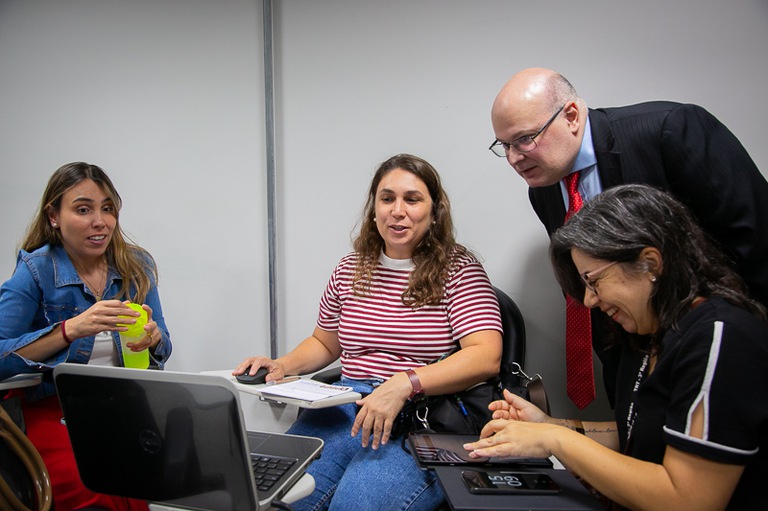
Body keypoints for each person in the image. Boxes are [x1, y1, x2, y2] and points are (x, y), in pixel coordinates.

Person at [465, 184, 768, 510]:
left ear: (650, 264)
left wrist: (555, 440)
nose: (589, 300)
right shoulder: (649, 332)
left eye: (593, 281)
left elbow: (689, 500)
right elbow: (636, 432)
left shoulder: (721, 338)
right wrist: (548, 425)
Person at [234, 153, 503, 511]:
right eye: (387, 198)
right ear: (374, 208)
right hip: (345, 408)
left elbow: (485, 355)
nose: (397, 211)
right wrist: (282, 365)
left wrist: (405, 383)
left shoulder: (459, 270)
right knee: (274, 495)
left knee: (353, 505)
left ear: (435, 211)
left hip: (419, 417)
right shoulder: (351, 268)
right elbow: (324, 342)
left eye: (412, 199)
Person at [488, 67, 768, 408]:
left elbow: (754, 240)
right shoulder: (544, 189)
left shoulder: (668, 130)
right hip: (632, 360)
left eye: (525, 138)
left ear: (571, 116)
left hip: (720, 347)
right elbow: (589, 290)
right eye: (505, 145)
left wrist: (738, 342)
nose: (514, 158)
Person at [0, 162, 172, 511]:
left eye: (107, 209)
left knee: (145, 482)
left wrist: (154, 339)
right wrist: (70, 330)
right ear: (54, 216)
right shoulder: (36, 269)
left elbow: (164, 345)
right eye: (83, 210)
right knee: (91, 485)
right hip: (53, 406)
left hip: (123, 405)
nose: (100, 221)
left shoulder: (135, 266)